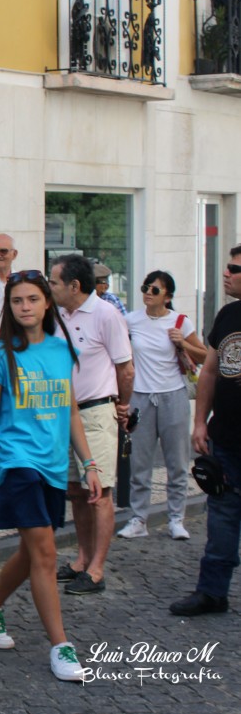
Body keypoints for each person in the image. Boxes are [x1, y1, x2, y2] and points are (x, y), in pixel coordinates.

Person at [0, 270, 101, 682]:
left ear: (47, 304)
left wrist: (90, 464)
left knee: (29, 551)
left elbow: (72, 411)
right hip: (16, 462)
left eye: (32, 299)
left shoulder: (62, 350)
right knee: (44, 552)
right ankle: (61, 647)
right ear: (9, 306)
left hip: (55, 465)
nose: (25, 307)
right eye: (17, 300)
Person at [47, 254, 133, 596]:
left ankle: (97, 569)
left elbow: (125, 367)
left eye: (53, 282)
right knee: (76, 492)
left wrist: (123, 406)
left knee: (100, 493)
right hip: (63, 414)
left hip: (96, 414)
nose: (49, 287)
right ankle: (81, 560)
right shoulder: (57, 315)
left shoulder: (106, 314)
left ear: (74, 286)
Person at [170, 244, 241, 616]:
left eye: (234, 267)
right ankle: (212, 592)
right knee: (222, 517)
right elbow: (210, 370)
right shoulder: (228, 315)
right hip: (226, 439)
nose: (225, 272)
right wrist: (201, 422)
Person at [117, 271, 207, 541]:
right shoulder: (131, 320)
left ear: (167, 296)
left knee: (177, 461)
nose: (147, 292)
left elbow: (204, 356)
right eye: (145, 287)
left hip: (173, 396)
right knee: (140, 462)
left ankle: (176, 519)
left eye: (154, 290)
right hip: (141, 397)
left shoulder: (180, 321)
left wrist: (182, 342)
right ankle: (138, 519)